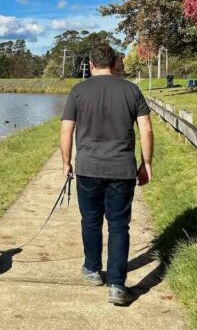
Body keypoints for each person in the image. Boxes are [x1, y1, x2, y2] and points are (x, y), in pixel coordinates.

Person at [60, 43, 154, 305]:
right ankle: (116, 285)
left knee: (90, 220)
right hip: (121, 169)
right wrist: (146, 163)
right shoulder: (131, 90)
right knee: (118, 224)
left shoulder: (78, 91)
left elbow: (67, 130)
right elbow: (146, 129)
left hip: (88, 168)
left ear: (91, 65)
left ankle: (92, 270)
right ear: (114, 63)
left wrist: (66, 162)